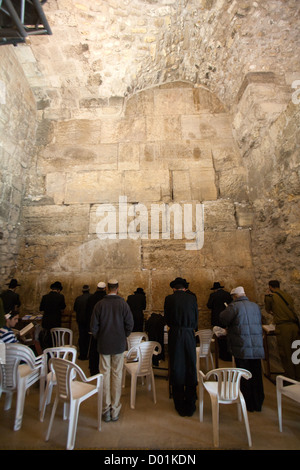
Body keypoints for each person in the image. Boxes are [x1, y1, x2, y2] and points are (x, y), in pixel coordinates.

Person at [90, 279, 134, 422]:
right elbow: (130, 324)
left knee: (104, 374)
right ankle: (115, 409)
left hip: (104, 345)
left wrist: (100, 337)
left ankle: (105, 410)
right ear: (118, 288)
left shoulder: (99, 305)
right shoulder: (123, 304)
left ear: (108, 288)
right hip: (118, 345)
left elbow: (94, 327)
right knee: (116, 375)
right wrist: (123, 335)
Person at [220, 286, 265, 412]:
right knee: (256, 373)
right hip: (256, 345)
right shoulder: (255, 306)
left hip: (242, 344)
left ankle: (247, 402)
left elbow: (223, 319)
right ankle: (258, 401)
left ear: (234, 296)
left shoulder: (234, 307)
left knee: (244, 373)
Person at [164, 277, 198, 417]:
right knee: (190, 364)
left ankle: (179, 402)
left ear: (174, 288)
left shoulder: (169, 299)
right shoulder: (192, 298)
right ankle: (191, 402)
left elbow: (167, 319)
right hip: (189, 334)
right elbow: (196, 318)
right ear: (185, 288)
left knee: (177, 365)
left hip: (176, 334)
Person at [265, 280, 300, 380]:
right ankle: (298, 374)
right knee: (296, 352)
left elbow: (268, 310)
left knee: (286, 352)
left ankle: (290, 377)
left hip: (283, 327)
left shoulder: (271, 297)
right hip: (294, 326)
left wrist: (267, 296)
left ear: (270, 287)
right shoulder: (287, 296)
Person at [206, 281, 233, 361]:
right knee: (228, 336)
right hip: (227, 318)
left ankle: (222, 354)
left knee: (219, 337)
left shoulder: (213, 295)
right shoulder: (227, 294)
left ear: (214, 289)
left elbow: (209, 305)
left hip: (217, 318)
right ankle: (229, 354)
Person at [86, 281, 107, 375]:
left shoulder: (91, 298)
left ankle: (93, 369)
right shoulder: (106, 299)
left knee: (93, 348)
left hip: (94, 326)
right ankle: (103, 368)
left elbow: (88, 312)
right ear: (105, 288)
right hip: (104, 327)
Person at [39, 281, 66, 348]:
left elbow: (41, 308)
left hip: (46, 321)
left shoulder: (45, 297)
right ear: (59, 290)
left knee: (46, 338)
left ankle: (47, 352)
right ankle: (54, 352)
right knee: (55, 338)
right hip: (55, 321)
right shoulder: (60, 297)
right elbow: (63, 307)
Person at [73, 285, 92, 360]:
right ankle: (89, 354)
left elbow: (75, 309)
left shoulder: (78, 298)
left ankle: (82, 354)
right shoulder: (91, 297)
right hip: (89, 320)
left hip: (80, 320)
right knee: (89, 338)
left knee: (82, 337)